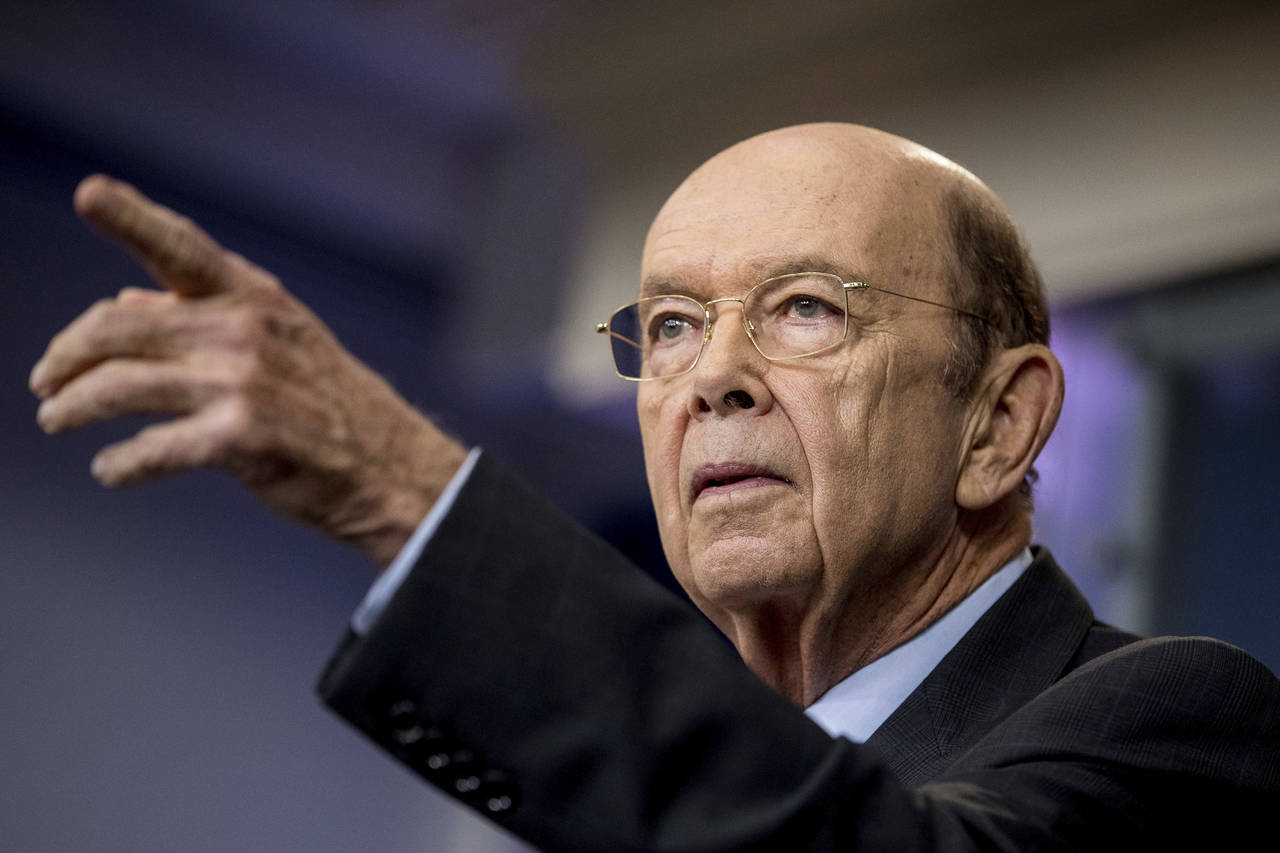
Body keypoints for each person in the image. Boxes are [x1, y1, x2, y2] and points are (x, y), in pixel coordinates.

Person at [32, 124, 1280, 850]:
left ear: (996, 425)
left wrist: (405, 492)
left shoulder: (1181, 724)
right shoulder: (647, 801)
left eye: (804, 308)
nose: (711, 377)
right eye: (672, 324)